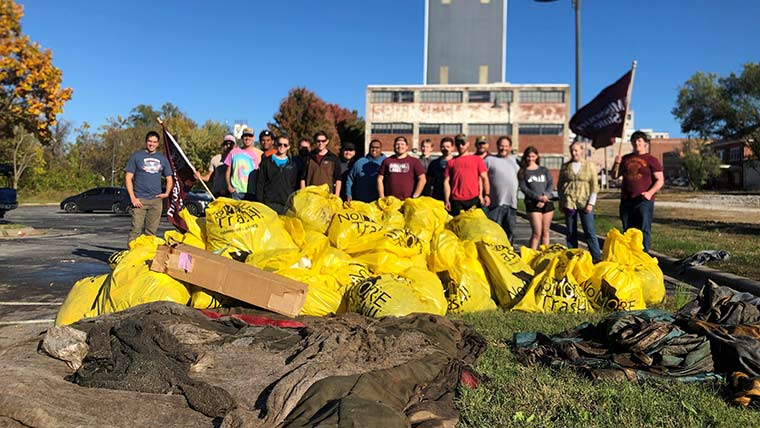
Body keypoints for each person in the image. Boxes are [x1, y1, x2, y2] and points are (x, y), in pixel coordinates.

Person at [612, 130, 664, 252]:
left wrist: (649, 193)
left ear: (645, 143)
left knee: (643, 230)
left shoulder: (652, 160)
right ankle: (630, 255)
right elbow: (614, 176)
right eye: (634, 140)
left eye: (640, 140)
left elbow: (660, 180)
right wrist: (616, 163)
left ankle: (644, 256)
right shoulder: (625, 159)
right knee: (628, 231)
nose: (637, 143)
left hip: (643, 201)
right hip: (626, 200)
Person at [124, 131, 173, 244]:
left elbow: (169, 178)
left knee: (151, 233)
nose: (152, 144)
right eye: (150, 141)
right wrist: (133, 198)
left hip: (156, 200)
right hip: (140, 199)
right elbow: (128, 177)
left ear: (158, 143)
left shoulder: (163, 159)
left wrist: (166, 193)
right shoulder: (137, 156)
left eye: (154, 142)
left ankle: (146, 255)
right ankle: (132, 256)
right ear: (146, 142)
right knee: (135, 230)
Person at [558, 140, 602, 262]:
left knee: (589, 230)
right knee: (571, 231)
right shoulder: (566, 166)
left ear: (582, 151)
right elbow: (560, 185)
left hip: (585, 202)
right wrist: (562, 202)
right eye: (572, 150)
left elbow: (594, 186)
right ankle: (573, 256)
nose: (574, 153)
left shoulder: (589, 166)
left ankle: (596, 257)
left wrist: (591, 203)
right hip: (569, 202)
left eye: (576, 150)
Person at [444, 134, 490, 216]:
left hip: (473, 200)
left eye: (463, 143)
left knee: (474, 226)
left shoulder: (477, 159)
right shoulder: (451, 162)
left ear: (468, 144)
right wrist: (447, 200)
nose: (460, 146)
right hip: (456, 201)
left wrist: (486, 195)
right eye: (458, 144)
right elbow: (446, 182)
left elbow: (484, 178)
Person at [485, 136, 520, 245]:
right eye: (501, 146)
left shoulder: (515, 161)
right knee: (494, 233)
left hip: (512, 204)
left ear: (510, 147)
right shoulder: (489, 160)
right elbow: (481, 179)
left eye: (506, 146)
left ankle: (509, 255)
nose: (503, 148)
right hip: (495, 204)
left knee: (510, 232)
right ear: (497, 146)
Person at [518, 146, 554, 249]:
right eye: (528, 156)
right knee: (537, 233)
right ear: (525, 157)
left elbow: (550, 183)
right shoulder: (523, 172)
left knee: (545, 232)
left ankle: (544, 255)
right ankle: (531, 256)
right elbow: (524, 188)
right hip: (533, 204)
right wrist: (537, 198)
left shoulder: (544, 170)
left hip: (547, 202)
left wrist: (546, 196)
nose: (531, 158)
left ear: (537, 156)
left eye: (533, 156)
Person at [255, 135, 299, 214]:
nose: (282, 146)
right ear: (276, 144)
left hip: (285, 204)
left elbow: (293, 185)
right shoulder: (267, 162)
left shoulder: (293, 165)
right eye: (280, 144)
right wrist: (260, 201)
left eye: (285, 145)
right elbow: (260, 182)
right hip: (268, 202)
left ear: (288, 147)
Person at [377, 136, 426, 200]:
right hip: (391, 202)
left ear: (407, 147)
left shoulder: (414, 161)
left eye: (402, 144)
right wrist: (382, 197)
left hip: (408, 201)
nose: (400, 146)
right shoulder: (387, 161)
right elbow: (379, 179)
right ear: (394, 146)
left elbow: (422, 179)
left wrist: (415, 196)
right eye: (397, 144)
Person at [300, 131, 341, 196]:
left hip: (328, 195)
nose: (320, 143)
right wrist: (303, 194)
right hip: (311, 195)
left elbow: (338, 179)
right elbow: (302, 178)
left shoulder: (333, 158)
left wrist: (336, 196)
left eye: (323, 141)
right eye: (318, 141)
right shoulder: (308, 157)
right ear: (315, 141)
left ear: (327, 141)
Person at [225, 127, 261, 200]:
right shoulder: (233, 152)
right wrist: (229, 186)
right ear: (242, 138)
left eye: (250, 136)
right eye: (245, 136)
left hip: (250, 192)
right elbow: (228, 171)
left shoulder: (256, 154)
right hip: (236, 192)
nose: (247, 138)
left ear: (253, 138)